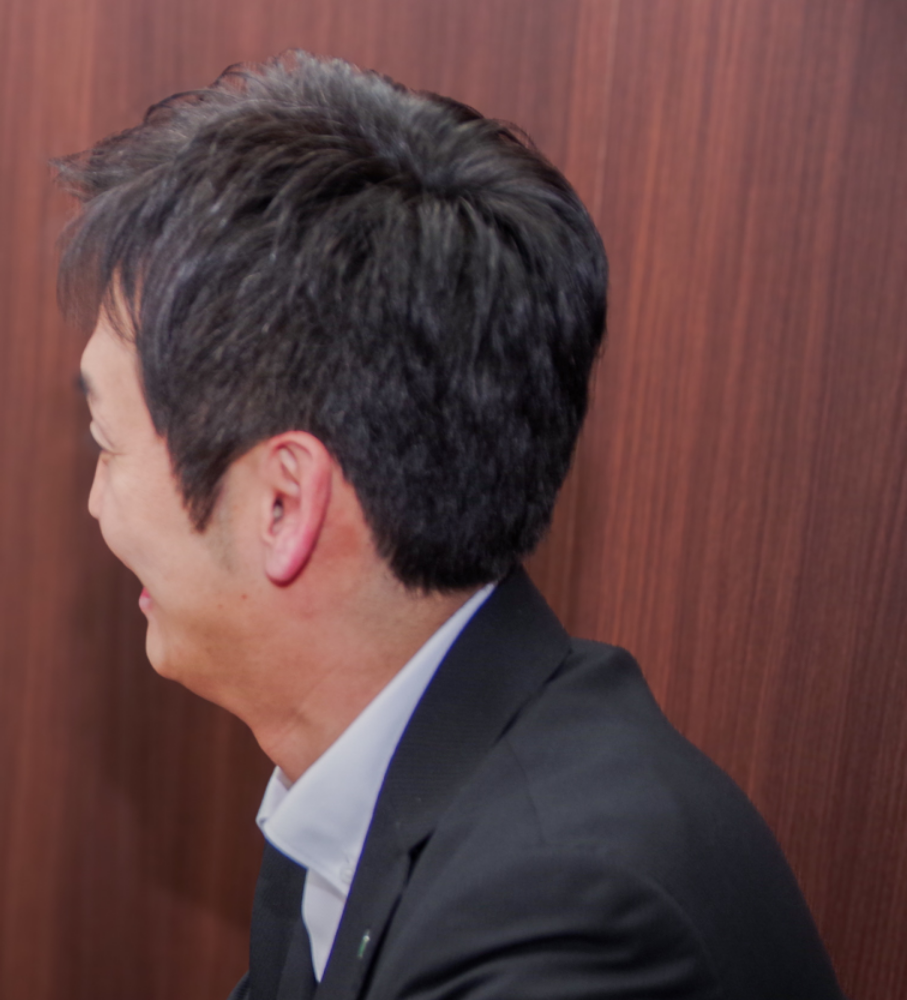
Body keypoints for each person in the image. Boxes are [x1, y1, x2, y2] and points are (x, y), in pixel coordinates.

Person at [59, 54, 841, 998]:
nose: (96, 504)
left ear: (284, 505)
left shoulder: (566, 923)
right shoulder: (380, 776)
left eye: (107, 443)